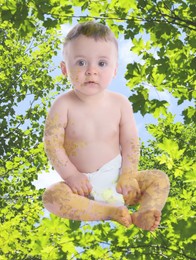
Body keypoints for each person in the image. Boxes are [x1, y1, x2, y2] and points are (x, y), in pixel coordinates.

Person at [42, 21, 170, 231]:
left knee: (159, 179)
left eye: (101, 64)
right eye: (81, 63)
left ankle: (144, 213)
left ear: (114, 70)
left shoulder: (120, 103)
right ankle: (109, 212)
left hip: (120, 178)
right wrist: (71, 175)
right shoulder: (62, 104)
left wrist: (129, 174)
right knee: (52, 197)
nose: (91, 71)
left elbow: (130, 143)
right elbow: (52, 145)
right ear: (65, 68)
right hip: (83, 188)